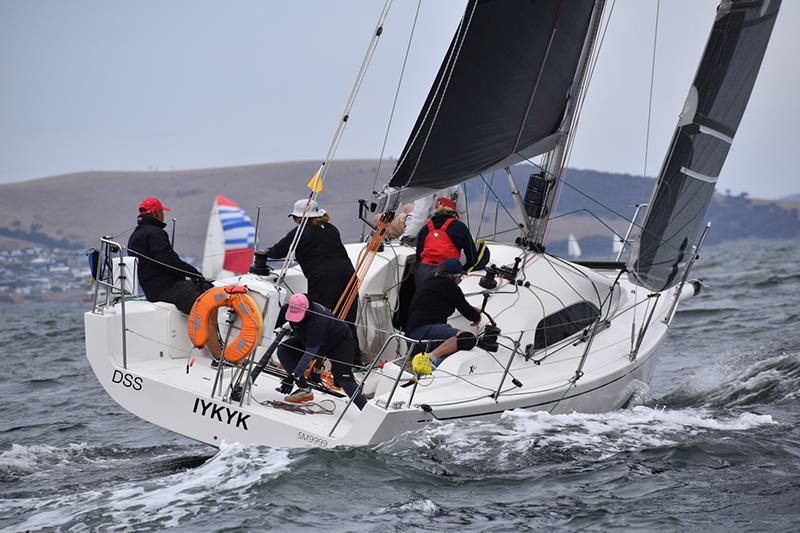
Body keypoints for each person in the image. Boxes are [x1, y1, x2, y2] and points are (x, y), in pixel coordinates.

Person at [266, 199, 360, 361]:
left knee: (317, 319)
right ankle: (354, 362)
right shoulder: (331, 228)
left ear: (302, 219)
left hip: (324, 280)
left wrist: (262, 254)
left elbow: (277, 251)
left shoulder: (301, 231)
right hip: (349, 276)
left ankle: (311, 360)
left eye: (295, 218)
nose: (295, 221)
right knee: (347, 321)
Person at [127, 196, 220, 357]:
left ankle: (215, 341)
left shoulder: (136, 235)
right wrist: (194, 273)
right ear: (156, 214)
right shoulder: (156, 233)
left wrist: (193, 276)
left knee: (209, 290)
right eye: (162, 212)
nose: (164, 215)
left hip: (155, 289)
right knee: (205, 305)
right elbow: (168, 261)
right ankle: (219, 357)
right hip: (166, 289)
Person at [276, 293, 367, 409]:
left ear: (308, 311)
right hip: (310, 339)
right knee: (284, 350)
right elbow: (271, 325)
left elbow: (310, 353)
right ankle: (305, 390)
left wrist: (293, 376)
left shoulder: (318, 321)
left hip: (339, 342)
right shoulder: (288, 308)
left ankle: (366, 411)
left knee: (343, 379)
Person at [405, 258, 482, 370]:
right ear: (455, 276)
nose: (460, 280)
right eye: (460, 277)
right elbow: (470, 314)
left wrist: (469, 309)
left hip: (411, 338)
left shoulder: (428, 282)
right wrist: (477, 317)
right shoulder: (452, 288)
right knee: (466, 339)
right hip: (424, 335)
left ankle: (433, 359)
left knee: (450, 341)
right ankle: (429, 358)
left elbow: (437, 303)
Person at [415, 197, 478, 285]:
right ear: (453, 212)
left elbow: (418, 257)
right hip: (446, 272)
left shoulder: (425, 228)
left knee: (422, 296)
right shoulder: (460, 227)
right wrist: (463, 269)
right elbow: (472, 257)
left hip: (423, 273)